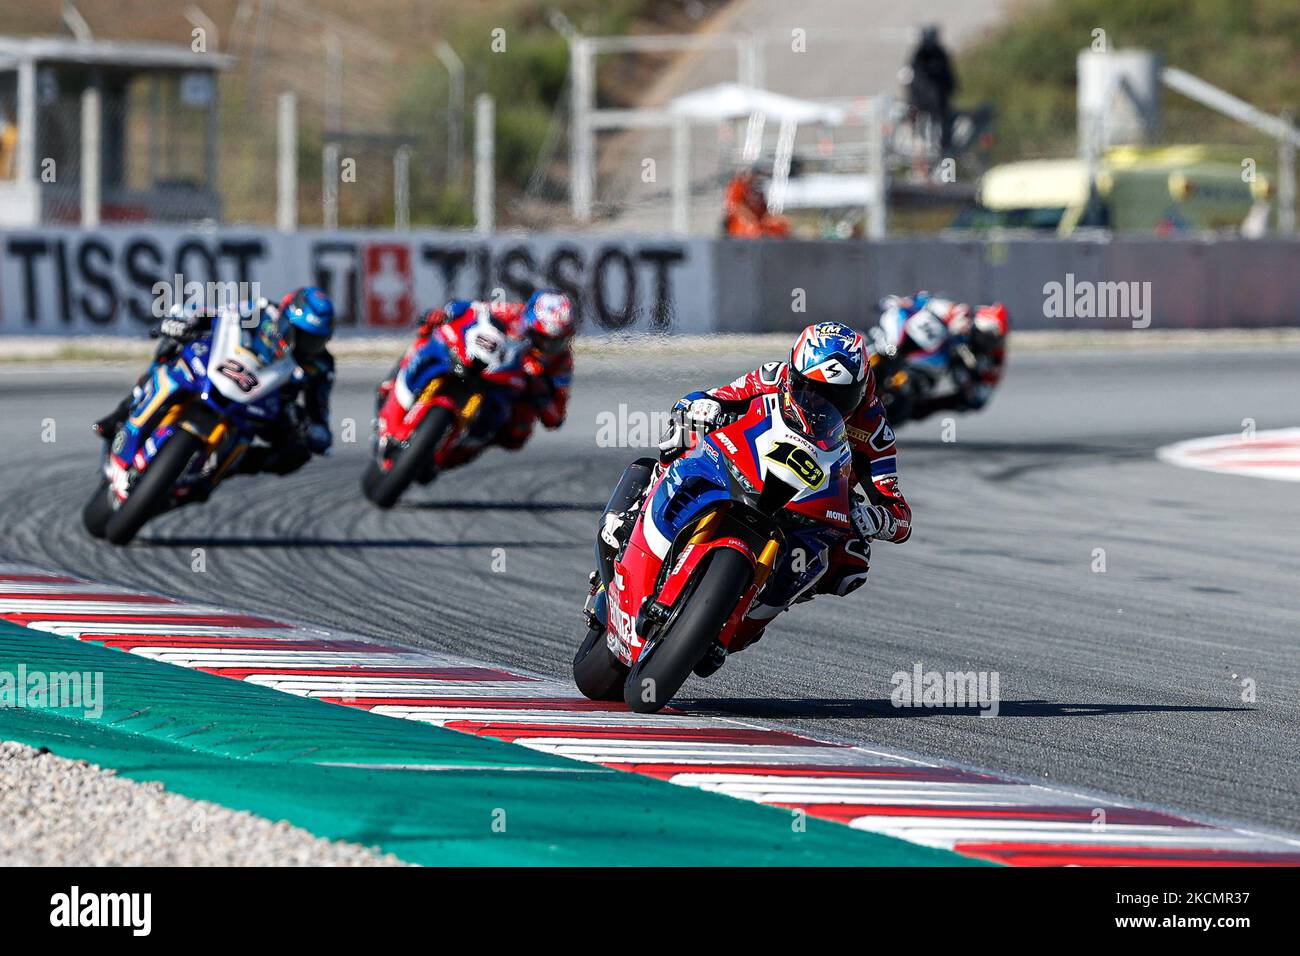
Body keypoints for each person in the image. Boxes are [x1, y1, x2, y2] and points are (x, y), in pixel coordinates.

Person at [599, 321, 911, 673]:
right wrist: (703, 407)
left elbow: (898, 510)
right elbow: (714, 397)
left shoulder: (874, 428)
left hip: (815, 502)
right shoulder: (773, 376)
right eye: (810, 390)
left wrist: (878, 518)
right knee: (682, 435)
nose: (821, 404)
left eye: (838, 398)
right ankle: (638, 513)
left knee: (852, 563)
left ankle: (749, 613)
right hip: (749, 463)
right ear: (794, 375)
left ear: (860, 389)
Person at [93, 287, 336, 480]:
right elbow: (219, 313)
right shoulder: (261, 310)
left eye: (315, 340)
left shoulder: (322, 366)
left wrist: (307, 429)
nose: (305, 345)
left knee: (297, 454)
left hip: (265, 408)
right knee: (172, 346)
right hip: (224, 369)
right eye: (300, 334)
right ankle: (123, 411)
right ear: (285, 317)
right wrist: (185, 321)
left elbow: (322, 425)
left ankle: (230, 468)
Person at [376, 290, 575, 469]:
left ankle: (452, 453)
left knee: (518, 432)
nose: (548, 346)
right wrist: (444, 314)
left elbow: (556, 416)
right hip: (481, 361)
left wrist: (541, 394)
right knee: (431, 333)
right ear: (529, 323)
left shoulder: (562, 362)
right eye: (542, 338)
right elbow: (468, 308)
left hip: (508, 389)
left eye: (556, 341)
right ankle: (393, 384)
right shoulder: (511, 312)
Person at [879, 292, 1009, 420]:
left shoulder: (994, 356)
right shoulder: (960, 313)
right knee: (889, 345)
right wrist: (903, 302)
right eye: (987, 336)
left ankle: (917, 407)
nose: (989, 342)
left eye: (995, 339)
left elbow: (981, 395)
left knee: (921, 398)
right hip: (913, 341)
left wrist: (972, 376)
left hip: (933, 365)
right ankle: (874, 353)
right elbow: (925, 300)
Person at [904, 25, 956, 152]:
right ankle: (921, 139)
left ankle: (944, 144)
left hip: (933, 100)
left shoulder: (933, 54)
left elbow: (948, 77)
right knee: (915, 113)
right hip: (925, 100)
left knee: (943, 119)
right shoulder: (920, 55)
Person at [722, 167, 791, 239]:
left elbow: (764, 213)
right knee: (755, 230)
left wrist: (775, 219)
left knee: (780, 228)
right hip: (742, 225)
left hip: (757, 224)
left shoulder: (758, 192)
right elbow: (735, 206)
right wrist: (751, 219)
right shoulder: (738, 185)